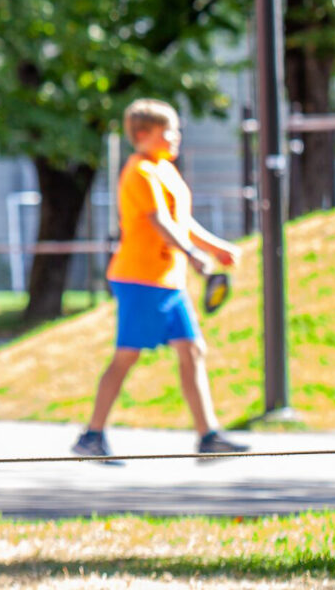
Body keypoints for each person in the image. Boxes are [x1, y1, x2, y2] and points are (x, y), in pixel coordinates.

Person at [74, 99, 248, 459]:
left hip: (168, 280)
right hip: (140, 279)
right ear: (143, 134)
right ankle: (92, 435)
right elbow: (161, 222)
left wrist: (215, 248)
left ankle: (208, 435)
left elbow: (182, 222)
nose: (176, 136)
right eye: (169, 130)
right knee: (127, 356)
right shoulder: (139, 171)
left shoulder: (166, 170)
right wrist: (194, 255)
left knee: (193, 349)